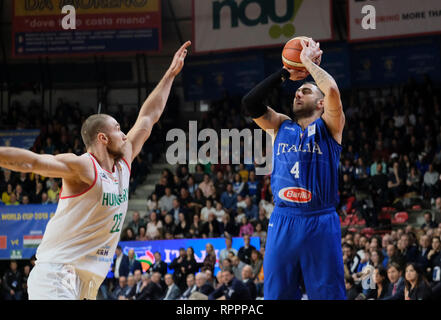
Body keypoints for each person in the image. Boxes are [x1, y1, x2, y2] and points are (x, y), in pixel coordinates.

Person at [0, 41, 191, 300]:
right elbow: (32, 162)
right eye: (117, 129)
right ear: (102, 138)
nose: (124, 134)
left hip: (86, 281)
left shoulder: (123, 161)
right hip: (57, 274)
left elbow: (149, 117)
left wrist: (169, 74)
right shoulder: (83, 167)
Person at [242, 38, 345, 300]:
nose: (298, 93)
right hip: (283, 219)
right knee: (276, 295)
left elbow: (331, 90)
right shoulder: (281, 126)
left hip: (319, 220)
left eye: (307, 91)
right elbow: (250, 103)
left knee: (328, 295)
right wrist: (285, 74)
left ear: (320, 104)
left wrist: (308, 63)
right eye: (298, 91)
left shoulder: (331, 126)